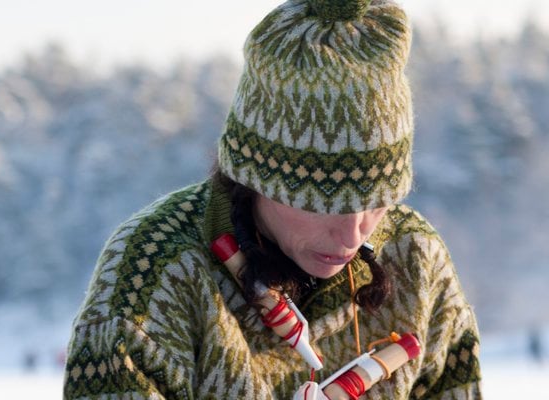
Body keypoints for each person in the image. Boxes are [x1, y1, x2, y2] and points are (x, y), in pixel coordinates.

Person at [62, 0, 483, 398]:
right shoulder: (153, 268)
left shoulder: (415, 258)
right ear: (255, 179)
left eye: (377, 202)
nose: (353, 233)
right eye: (323, 205)